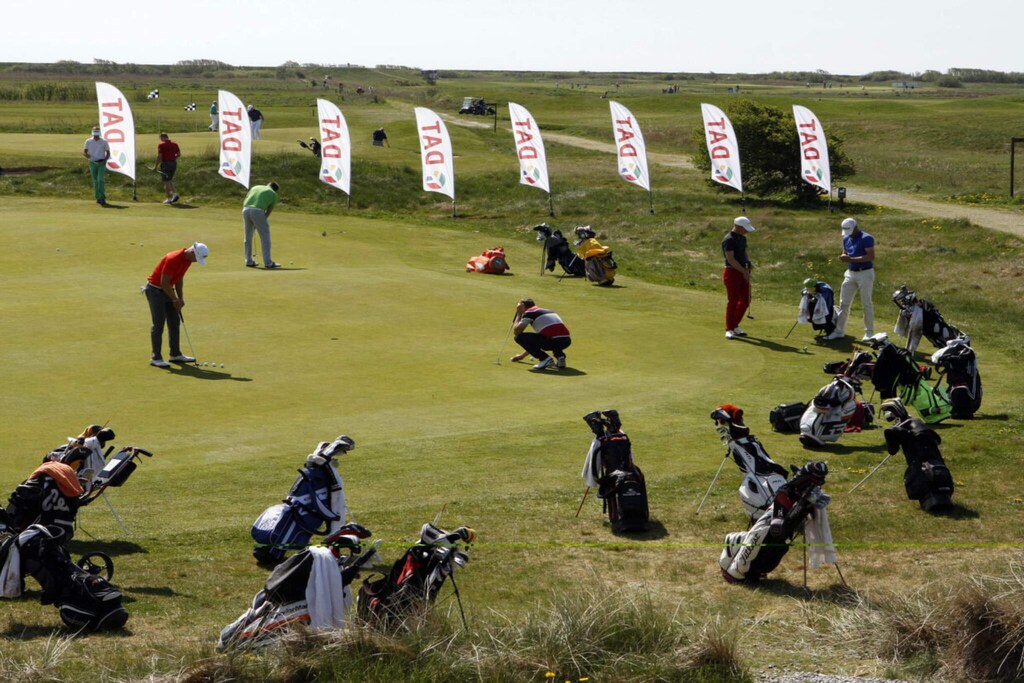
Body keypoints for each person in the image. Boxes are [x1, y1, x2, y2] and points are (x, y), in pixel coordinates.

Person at [144, 243, 208, 367]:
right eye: (196, 258)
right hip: (155, 291)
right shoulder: (172, 258)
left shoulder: (187, 260)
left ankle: (175, 354)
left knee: (174, 322)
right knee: (158, 324)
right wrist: (175, 300)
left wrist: (180, 298)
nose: (196, 261)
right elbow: (164, 283)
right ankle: (156, 358)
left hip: (168, 290)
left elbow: (179, 279)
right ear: (192, 253)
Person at [825, 218, 876, 341]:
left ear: (855, 227)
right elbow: (845, 252)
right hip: (850, 273)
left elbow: (870, 256)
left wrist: (850, 259)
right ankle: (839, 331)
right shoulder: (846, 237)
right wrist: (843, 256)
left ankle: (869, 333)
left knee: (866, 303)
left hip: (865, 273)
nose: (849, 234)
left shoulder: (866, 238)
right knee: (844, 303)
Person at [511, 298, 571, 370]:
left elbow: (517, 331)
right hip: (566, 341)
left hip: (552, 341)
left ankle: (545, 359)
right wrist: (522, 356)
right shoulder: (548, 311)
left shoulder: (529, 313)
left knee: (519, 337)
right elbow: (535, 343)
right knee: (550, 336)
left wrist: (519, 314)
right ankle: (560, 357)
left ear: (522, 305)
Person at [722, 216, 755, 340]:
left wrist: (748, 263)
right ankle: (729, 329)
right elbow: (730, 259)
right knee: (733, 300)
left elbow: (743, 253)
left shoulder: (742, 238)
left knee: (746, 300)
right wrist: (743, 271)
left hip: (742, 271)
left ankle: (735, 325)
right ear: (738, 226)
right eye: (744, 229)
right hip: (731, 272)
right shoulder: (729, 240)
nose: (746, 231)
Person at [242, 182, 281, 269]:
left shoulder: (255, 186)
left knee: (248, 236)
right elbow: (269, 210)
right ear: (275, 189)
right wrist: (261, 220)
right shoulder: (274, 194)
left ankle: (248, 261)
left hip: (245, 209)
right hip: (258, 211)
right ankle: (268, 262)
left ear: (268, 184)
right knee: (265, 236)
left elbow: (246, 198)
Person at [82, 126, 110, 205]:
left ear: (99, 133)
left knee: (100, 180)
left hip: (101, 163)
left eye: (97, 134)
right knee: (95, 181)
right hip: (92, 163)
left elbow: (108, 153)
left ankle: (102, 198)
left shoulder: (104, 141)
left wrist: (105, 161)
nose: (96, 135)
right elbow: (85, 152)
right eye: (95, 133)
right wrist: (86, 155)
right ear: (92, 133)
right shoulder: (88, 141)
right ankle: (98, 197)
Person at [153, 132, 180, 204]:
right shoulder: (175, 144)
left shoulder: (161, 145)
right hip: (174, 163)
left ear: (162, 137)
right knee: (169, 180)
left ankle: (171, 197)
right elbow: (178, 154)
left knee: (166, 181)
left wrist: (155, 167)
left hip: (165, 164)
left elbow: (159, 156)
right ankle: (172, 195)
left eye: (160, 138)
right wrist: (173, 158)